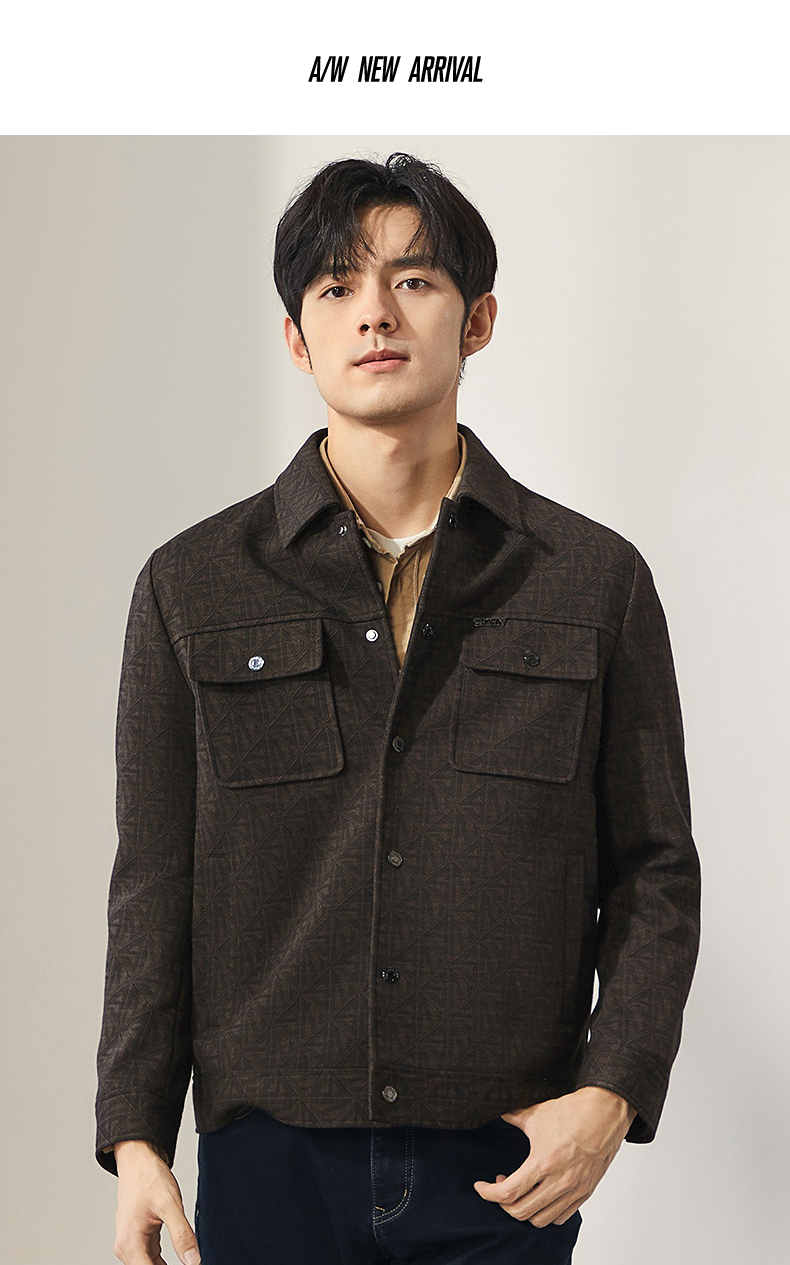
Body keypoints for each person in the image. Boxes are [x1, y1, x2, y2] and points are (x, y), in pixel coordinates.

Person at [96, 153, 701, 1265]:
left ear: (478, 320)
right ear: (297, 338)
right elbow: (153, 879)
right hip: (267, 1157)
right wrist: (136, 1133)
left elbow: (655, 867)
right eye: (336, 287)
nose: (374, 311)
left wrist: (611, 1093)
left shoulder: (593, 580)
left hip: (507, 1163)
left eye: (413, 280)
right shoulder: (191, 586)